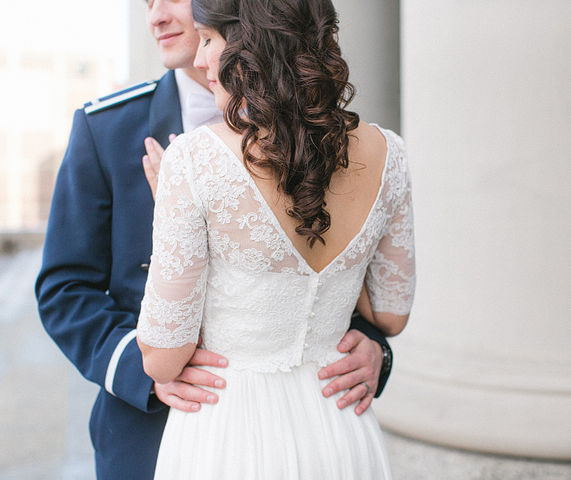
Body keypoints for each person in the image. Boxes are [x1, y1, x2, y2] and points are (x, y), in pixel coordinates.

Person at [35, 0, 393, 478]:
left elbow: (332, 269)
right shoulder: (106, 129)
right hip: (151, 437)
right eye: (146, 1)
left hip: (307, 427)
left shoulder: (333, 137)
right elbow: (64, 288)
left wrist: (371, 348)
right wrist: (143, 372)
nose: (156, 16)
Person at [136, 0, 415, 477]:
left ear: (250, 45)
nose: (200, 60)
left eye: (208, 41)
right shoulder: (389, 153)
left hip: (231, 436)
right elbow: (390, 314)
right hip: (338, 428)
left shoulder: (193, 160)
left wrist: (174, 210)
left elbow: (163, 359)